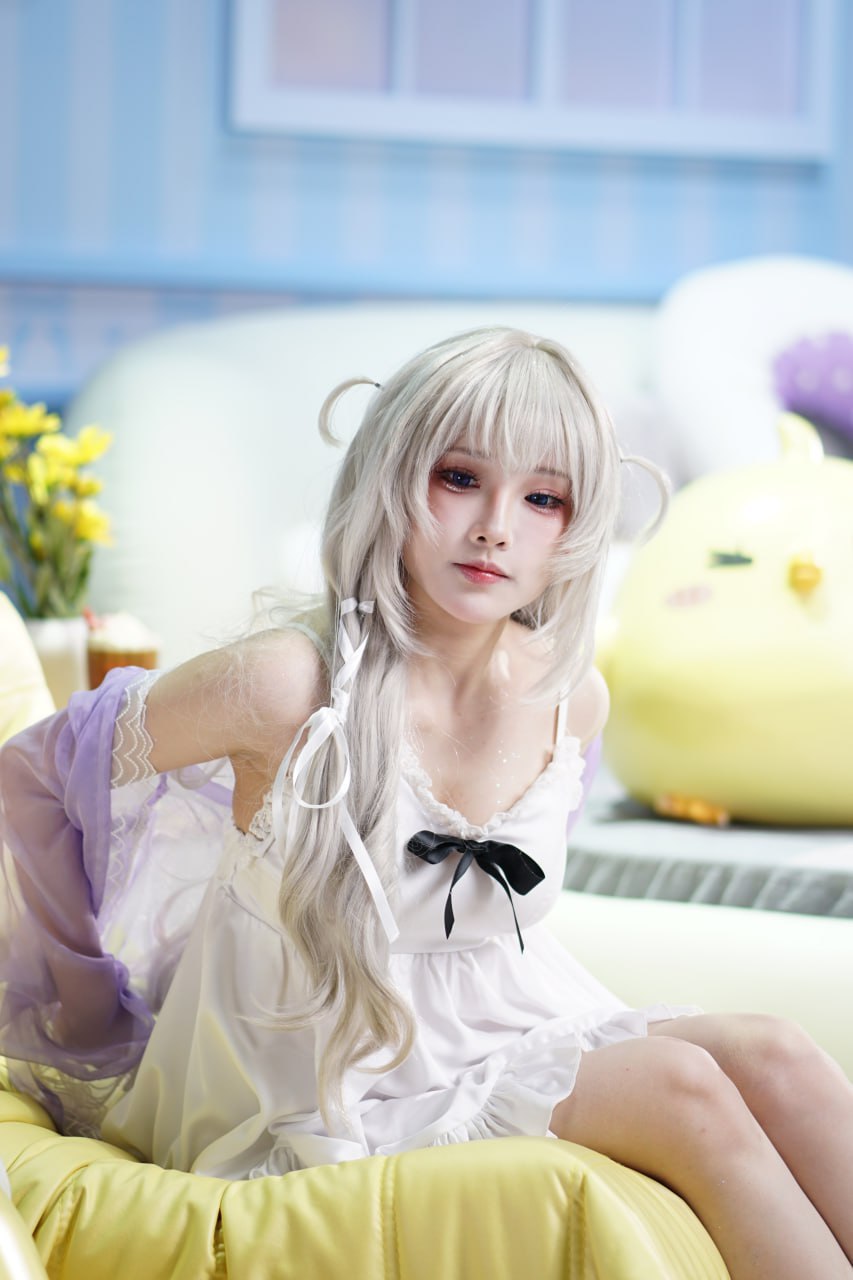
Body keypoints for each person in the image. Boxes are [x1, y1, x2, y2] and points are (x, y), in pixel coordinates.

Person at [0, 328, 851, 1278]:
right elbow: (27, 777)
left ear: (575, 528)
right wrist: (83, 997)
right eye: (458, 479)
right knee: (678, 1089)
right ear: (390, 480)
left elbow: (492, 929)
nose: (495, 527)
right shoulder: (286, 685)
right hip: (321, 1085)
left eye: (541, 498)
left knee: (775, 1055)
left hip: (493, 1029)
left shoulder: (570, 695)